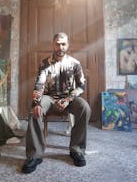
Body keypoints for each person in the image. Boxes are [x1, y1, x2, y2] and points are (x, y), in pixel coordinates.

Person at [21, 32, 91, 174]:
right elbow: (39, 85)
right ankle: (35, 155)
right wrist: (36, 103)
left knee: (85, 108)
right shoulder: (44, 64)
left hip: (69, 99)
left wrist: (67, 99)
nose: (60, 47)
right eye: (58, 44)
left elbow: (81, 86)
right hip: (49, 98)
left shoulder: (75, 64)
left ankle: (76, 150)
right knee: (34, 110)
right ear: (53, 45)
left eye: (63, 44)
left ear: (68, 45)